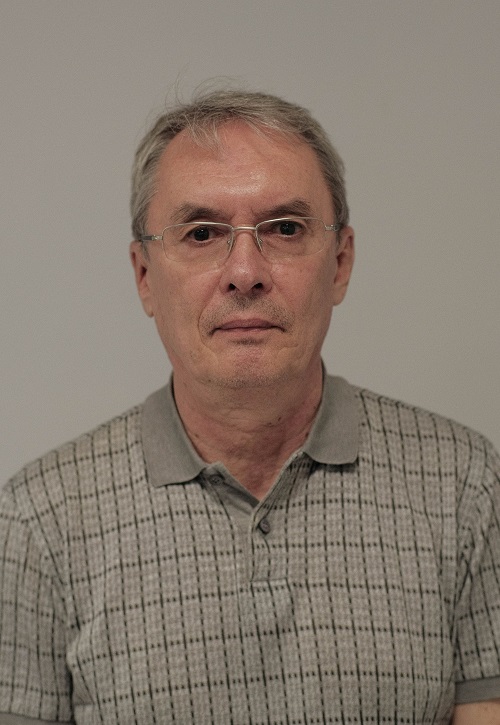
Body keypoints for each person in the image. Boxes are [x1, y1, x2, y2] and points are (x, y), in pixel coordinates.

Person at [0, 89, 499, 725]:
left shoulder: (465, 487)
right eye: (202, 233)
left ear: (340, 263)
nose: (245, 272)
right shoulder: (39, 522)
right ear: (145, 276)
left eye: (284, 229)